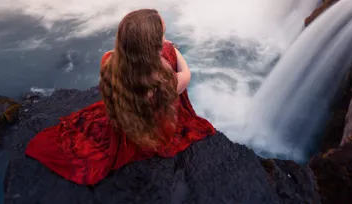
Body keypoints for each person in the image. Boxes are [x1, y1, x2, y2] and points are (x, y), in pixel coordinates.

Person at [25, 9, 216, 185]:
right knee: (171, 65)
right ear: (154, 47)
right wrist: (173, 50)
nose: (165, 41)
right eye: (162, 37)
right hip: (151, 129)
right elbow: (186, 74)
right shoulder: (162, 84)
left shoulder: (108, 60)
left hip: (126, 117)